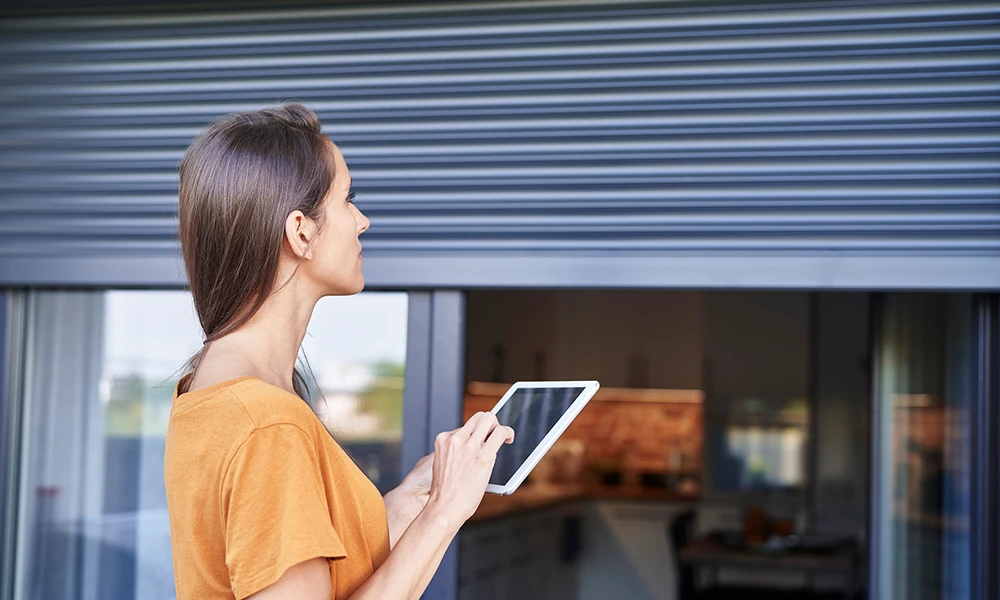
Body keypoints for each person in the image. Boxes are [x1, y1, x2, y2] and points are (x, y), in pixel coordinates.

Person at [164, 103, 514, 600]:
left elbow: (323, 571)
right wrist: (446, 510)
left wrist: (411, 501)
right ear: (301, 231)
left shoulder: (211, 392)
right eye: (349, 199)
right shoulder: (268, 424)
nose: (363, 221)